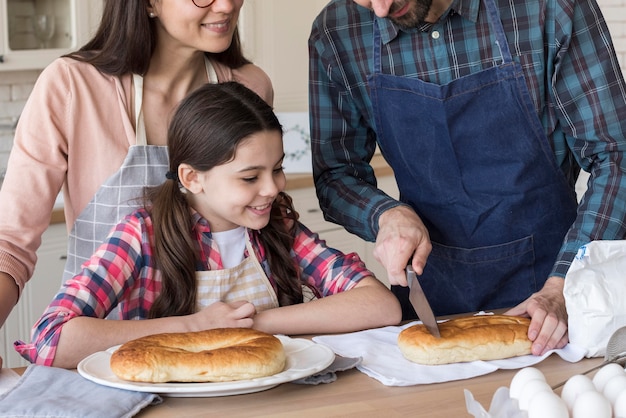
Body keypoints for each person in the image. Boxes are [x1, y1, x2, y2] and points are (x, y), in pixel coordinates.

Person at [308, 0, 626, 356]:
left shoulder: (550, 8)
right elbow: (336, 174)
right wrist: (386, 215)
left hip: (554, 300)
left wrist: (565, 285)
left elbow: (617, 156)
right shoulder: (338, 31)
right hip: (431, 303)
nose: (379, 8)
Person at [14, 81, 402, 369]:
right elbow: (52, 339)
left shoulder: (277, 228)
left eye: (278, 168)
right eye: (250, 177)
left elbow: (380, 306)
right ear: (192, 177)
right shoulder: (141, 235)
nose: (272, 188)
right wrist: (194, 327)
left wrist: (251, 323)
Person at [0, 0, 273, 348]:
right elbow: (10, 241)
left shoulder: (249, 88)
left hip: (217, 347)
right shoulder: (72, 85)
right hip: (101, 350)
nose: (227, 5)